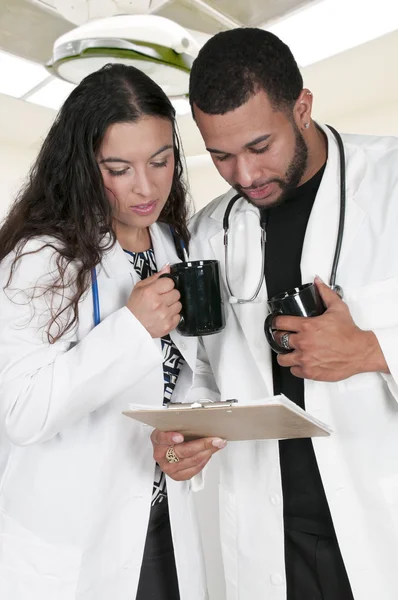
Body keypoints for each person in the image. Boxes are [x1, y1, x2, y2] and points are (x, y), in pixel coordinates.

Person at [184, 27, 398, 600]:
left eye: (260, 147)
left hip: (381, 515)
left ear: (302, 107)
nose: (245, 177)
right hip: (269, 525)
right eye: (221, 156)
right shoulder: (211, 228)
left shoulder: (391, 181)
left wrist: (373, 350)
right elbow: (200, 366)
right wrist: (183, 428)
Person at [0, 63, 224, 600]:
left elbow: (193, 370)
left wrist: (178, 443)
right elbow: (22, 413)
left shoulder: (175, 244)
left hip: (163, 523)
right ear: (82, 165)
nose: (145, 187)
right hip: (75, 536)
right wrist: (132, 328)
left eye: (161, 160)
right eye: (118, 168)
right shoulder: (41, 258)